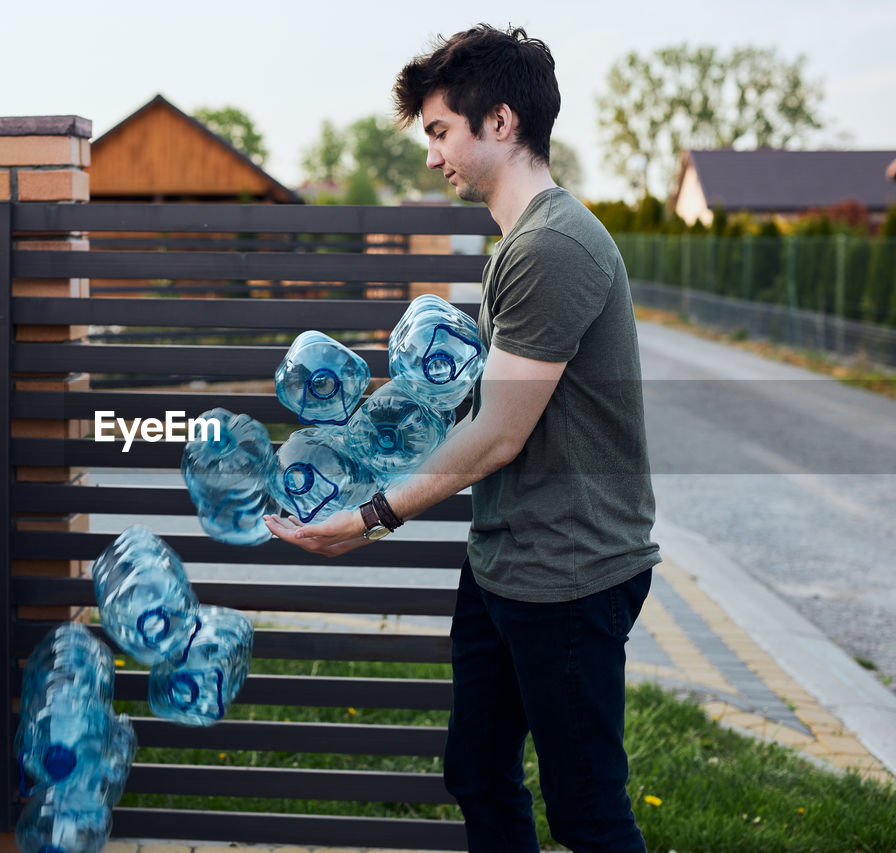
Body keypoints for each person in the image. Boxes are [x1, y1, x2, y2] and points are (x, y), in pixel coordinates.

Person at [264, 23, 660, 853]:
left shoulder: (552, 245)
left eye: (441, 130)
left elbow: (498, 435)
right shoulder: (518, 242)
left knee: (588, 810)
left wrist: (368, 516)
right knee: (477, 772)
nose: (432, 153)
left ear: (502, 123)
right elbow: (477, 411)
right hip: (506, 561)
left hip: (570, 573)